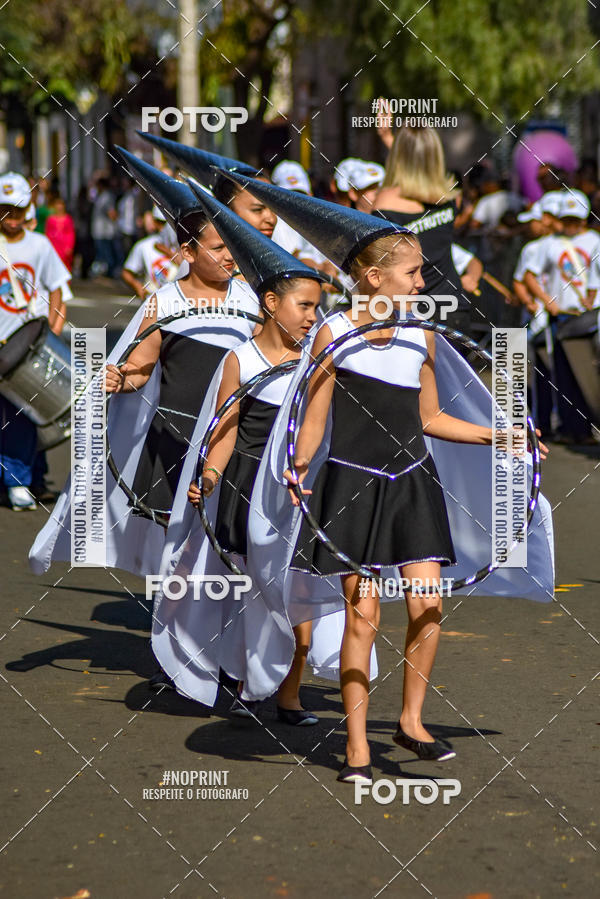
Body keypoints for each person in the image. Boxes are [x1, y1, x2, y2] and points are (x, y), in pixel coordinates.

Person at [225, 175, 554, 784]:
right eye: (413, 273)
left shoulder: (421, 333)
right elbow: (313, 420)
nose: (424, 281)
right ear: (374, 278)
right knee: (362, 616)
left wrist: (498, 435)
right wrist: (295, 471)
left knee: (428, 603)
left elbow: (428, 418)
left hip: (411, 482)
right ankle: (355, 745)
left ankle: (411, 719)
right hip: (352, 485)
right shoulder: (333, 333)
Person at [154, 183, 328, 715]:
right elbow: (225, 429)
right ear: (269, 304)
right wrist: (207, 477)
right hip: (246, 487)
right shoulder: (242, 359)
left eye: (317, 308)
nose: (310, 318)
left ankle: (290, 693)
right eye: (302, 307)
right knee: (248, 590)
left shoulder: (321, 357)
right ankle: (243, 677)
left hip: (299, 490)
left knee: (298, 592)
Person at [0, 173, 72, 510]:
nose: (11, 218)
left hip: (29, 346)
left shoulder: (39, 245)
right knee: (14, 415)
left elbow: (57, 289)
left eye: (17, 210)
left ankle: (20, 481)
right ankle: (29, 478)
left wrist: (53, 332)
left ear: (28, 209)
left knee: (26, 413)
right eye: (4, 210)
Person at [371, 125, 471, 335]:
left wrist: (391, 140)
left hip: (413, 312)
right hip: (453, 307)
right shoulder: (449, 198)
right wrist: (389, 138)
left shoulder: (386, 203)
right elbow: (419, 169)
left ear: (399, 155)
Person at [523, 190, 600, 444]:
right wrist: (548, 302)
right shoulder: (550, 244)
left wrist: (591, 297)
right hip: (562, 319)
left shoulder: (595, 241)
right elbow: (529, 276)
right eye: (566, 218)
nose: (569, 224)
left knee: (590, 374)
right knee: (565, 376)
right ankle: (573, 429)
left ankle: (590, 425)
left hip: (591, 318)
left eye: (574, 219)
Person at [121, 205, 187, 300]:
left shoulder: (183, 246)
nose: (165, 228)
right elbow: (127, 272)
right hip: (153, 299)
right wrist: (137, 286)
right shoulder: (143, 246)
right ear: (154, 222)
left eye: (166, 223)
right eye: (160, 222)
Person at [91, 176, 120, 278]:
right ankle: (106, 273)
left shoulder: (107, 196)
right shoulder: (101, 196)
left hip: (105, 231)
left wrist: (117, 222)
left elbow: (111, 212)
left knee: (106, 254)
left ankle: (110, 273)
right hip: (100, 231)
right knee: (103, 253)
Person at [45, 196, 76, 271]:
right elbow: (47, 233)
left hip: (64, 246)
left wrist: (69, 246)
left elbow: (71, 233)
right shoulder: (50, 219)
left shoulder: (68, 219)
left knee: (65, 266)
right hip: (54, 246)